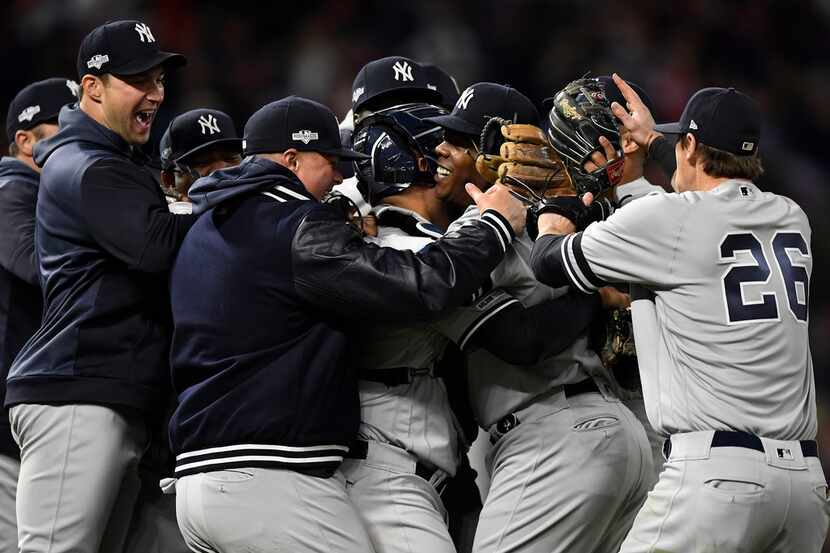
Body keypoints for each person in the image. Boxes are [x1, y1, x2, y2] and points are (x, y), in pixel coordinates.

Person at [168, 95, 525, 553]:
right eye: (331, 161)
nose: (340, 176)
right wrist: (492, 224)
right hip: (268, 478)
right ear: (292, 158)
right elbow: (420, 286)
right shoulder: (292, 222)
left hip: (200, 479)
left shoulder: (207, 225)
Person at [530, 76, 827, 552]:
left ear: (688, 145)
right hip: (805, 489)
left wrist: (550, 218)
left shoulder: (670, 220)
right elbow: (702, 202)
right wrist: (653, 145)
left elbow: (550, 262)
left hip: (718, 482)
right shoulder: (793, 217)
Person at [427, 81, 654, 553]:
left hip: (556, 436)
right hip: (614, 434)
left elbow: (523, 342)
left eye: (461, 141)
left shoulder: (481, 229)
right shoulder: (571, 220)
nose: (441, 150)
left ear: (503, 150)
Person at [5, 20, 193, 553]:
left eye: (159, 79)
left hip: (107, 389)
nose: (156, 93)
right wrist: (223, 208)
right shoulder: (82, 163)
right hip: (76, 389)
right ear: (93, 87)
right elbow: (155, 245)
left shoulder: (114, 160)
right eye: (139, 79)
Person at [0, 77, 77, 553]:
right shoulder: (11, 189)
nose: (73, 133)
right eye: (61, 124)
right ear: (25, 139)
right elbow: (36, 266)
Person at [159, 108, 243, 211]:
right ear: (169, 181)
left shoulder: (264, 211)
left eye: (230, 158)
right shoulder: (157, 225)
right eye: (203, 162)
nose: (221, 168)